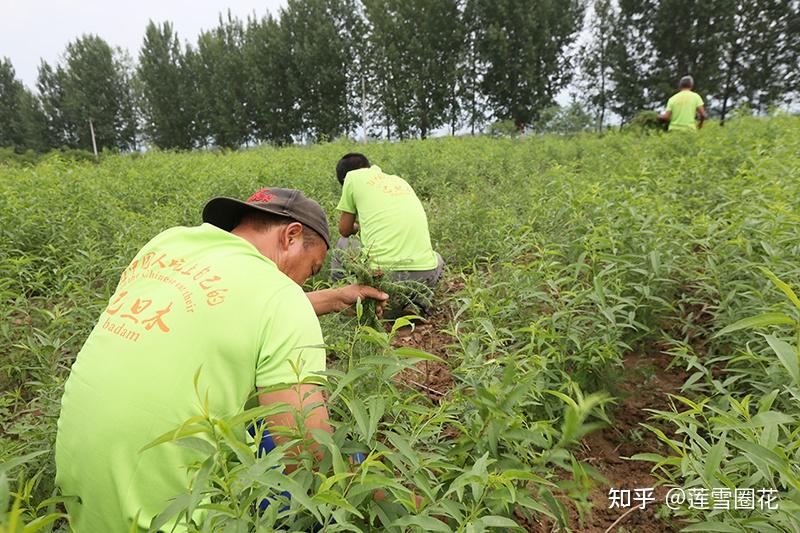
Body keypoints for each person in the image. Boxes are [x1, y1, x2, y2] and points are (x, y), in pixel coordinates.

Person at [54, 187, 388, 532]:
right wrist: (385, 500)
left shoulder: (167, 244)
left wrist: (332, 298)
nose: (305, 281)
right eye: (313, 268)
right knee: (334, 470)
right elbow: (305, 451)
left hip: (83, 500)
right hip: (173, 520)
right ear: (290, 235)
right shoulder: (282, 297)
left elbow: (227, 301)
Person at [331, 153, 444, 289]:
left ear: (344, 179)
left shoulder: (352, 177)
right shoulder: (399, 180)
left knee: (343, 243)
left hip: (382, 274)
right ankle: (416, 303)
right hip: (424, 273)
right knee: (436, 259)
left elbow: (344, 229)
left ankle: (339, 294)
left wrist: (359, 228)